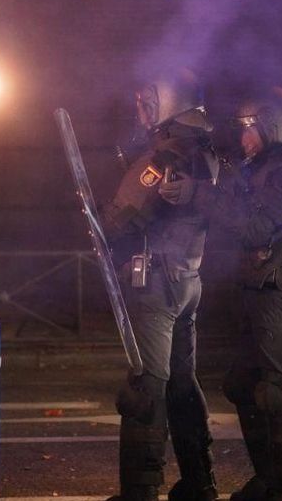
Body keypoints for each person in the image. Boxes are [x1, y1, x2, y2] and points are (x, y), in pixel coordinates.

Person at [160, 87, 282, 501]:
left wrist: (200, 194)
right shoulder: (268, 165)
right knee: (243, 385)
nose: (243, 137)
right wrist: (203, 186)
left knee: (277, 391)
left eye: (249, 127)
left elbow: (257, 227)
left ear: (274, 124)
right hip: (258, 289)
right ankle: (271, 479)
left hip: (279, 291)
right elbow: (236, 210)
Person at [100, 70, 220, 501]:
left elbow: (121, 220)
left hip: (157, 282)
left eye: (149, 103)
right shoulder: (203, 150)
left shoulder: (166, 154)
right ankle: (199, 482)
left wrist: (97, 214)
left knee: (146, 387)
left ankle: (141, 491)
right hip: (187, 278)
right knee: (181, 385)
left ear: (170, 104)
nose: (141, 111)